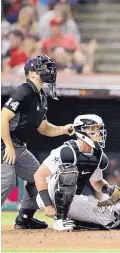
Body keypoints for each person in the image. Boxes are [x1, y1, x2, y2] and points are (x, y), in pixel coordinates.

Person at [1, 55, 74, 229]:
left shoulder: (41, 95)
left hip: (18, 146)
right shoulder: (23, 91)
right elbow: (3, 117)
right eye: (44, 68)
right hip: (4, 144)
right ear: (32, 73)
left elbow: (43, 128)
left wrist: (64, 129)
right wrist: (9, 146)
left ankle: (25, 218)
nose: (49, 71)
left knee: (40, 177)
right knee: (7, 180)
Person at [34, 114, 120, 231]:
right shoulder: (66, 151)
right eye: (93, 129)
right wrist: (48, 205)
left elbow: (96, 181)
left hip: (72, 199)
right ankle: (60, 220)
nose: (98, 132)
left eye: (98, 129)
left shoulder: (98, 155)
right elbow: (39, 175)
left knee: (115, 220)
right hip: (49, 196)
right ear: (82, 131)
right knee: (70, 171)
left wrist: (108, 189)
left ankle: (74, 222)